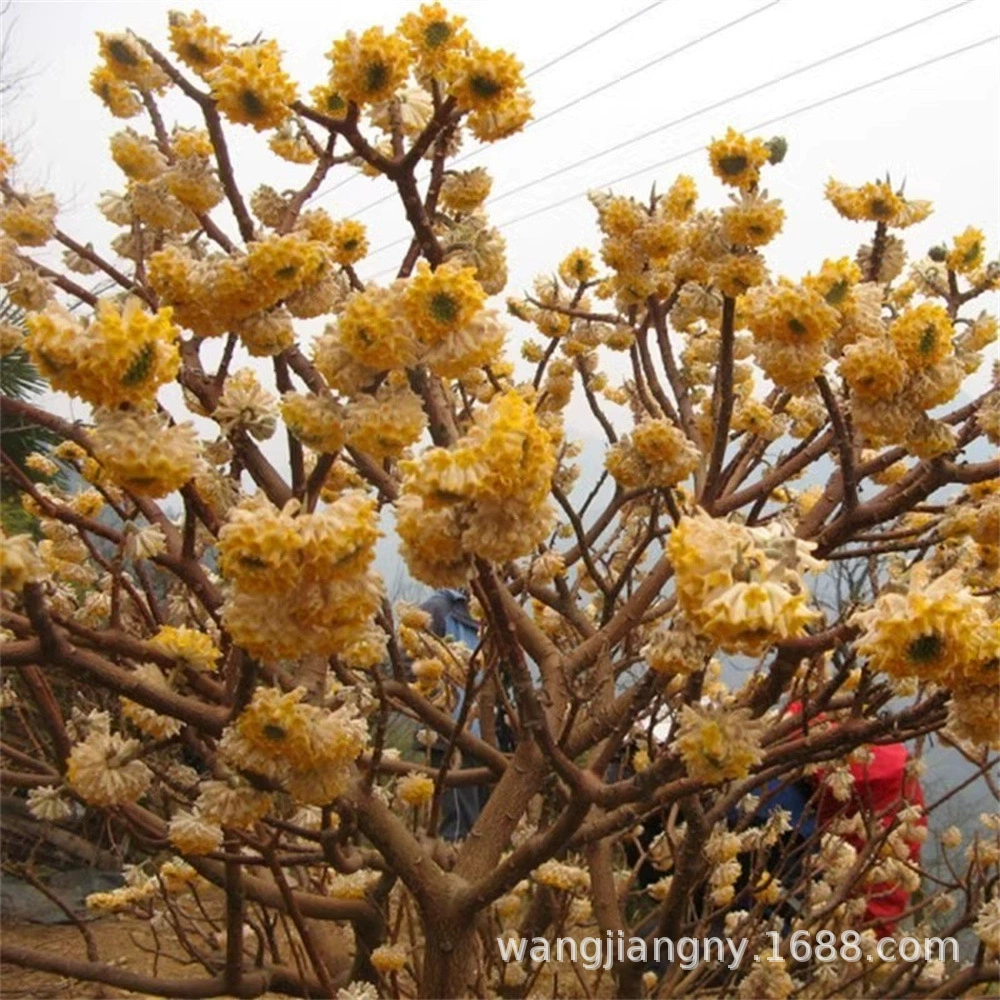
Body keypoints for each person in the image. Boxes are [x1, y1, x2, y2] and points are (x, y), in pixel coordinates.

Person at [419, 588, 490, 841]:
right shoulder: (438, 609)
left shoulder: (491, 615)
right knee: (459, 828)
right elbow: (409, 666)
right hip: (451, 739)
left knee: (485, 827)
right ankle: (456, 874)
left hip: (486, 742)